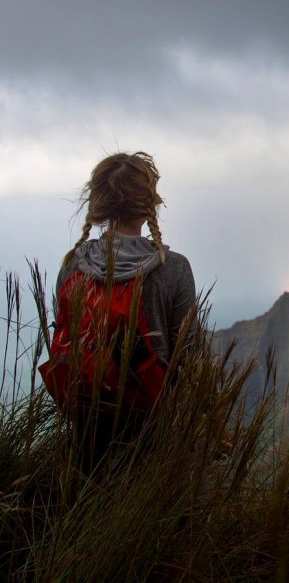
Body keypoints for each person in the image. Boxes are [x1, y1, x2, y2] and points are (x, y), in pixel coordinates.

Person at [56, 151, 197, 471]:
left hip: (85, 436)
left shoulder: (72, 266)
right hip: (154, 440)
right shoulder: (172, 268)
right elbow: (190, 358)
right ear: (149, 204)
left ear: (98, 204)